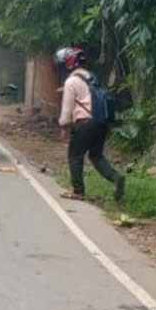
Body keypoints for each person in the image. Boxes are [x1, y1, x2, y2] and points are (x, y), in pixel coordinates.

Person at [55, 46, 125, 203]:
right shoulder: (91, 77)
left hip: (84, 123)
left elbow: (67, 109)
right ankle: (116, 177)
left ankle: (78, 191)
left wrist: (63, 126)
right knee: (96, 155)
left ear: (67, 63)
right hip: (100, 122)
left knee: (75, 155)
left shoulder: (71, 81)